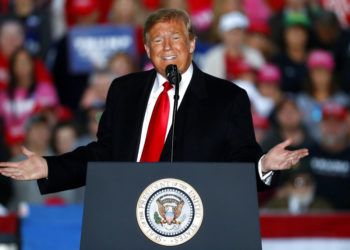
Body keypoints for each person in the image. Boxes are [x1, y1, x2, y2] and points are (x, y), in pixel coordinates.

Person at [0, 9, 308, 195]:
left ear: (192, 43)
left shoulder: (227, 97)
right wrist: (49, 167)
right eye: (158, 40)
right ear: (147, 49)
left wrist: (263, 165)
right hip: (129, 213)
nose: (167, 47)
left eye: (176, 38)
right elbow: (104, 154)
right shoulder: (124, 90)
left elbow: (240, 159)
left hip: (198, 220)